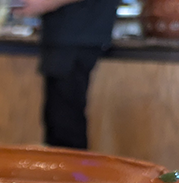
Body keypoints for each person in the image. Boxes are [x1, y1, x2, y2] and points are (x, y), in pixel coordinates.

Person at [15, 0, 119, 149]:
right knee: (57, 123)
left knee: (65, 127)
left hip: (76, 37)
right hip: (68, 37)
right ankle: (64, 170)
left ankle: (72, 172)